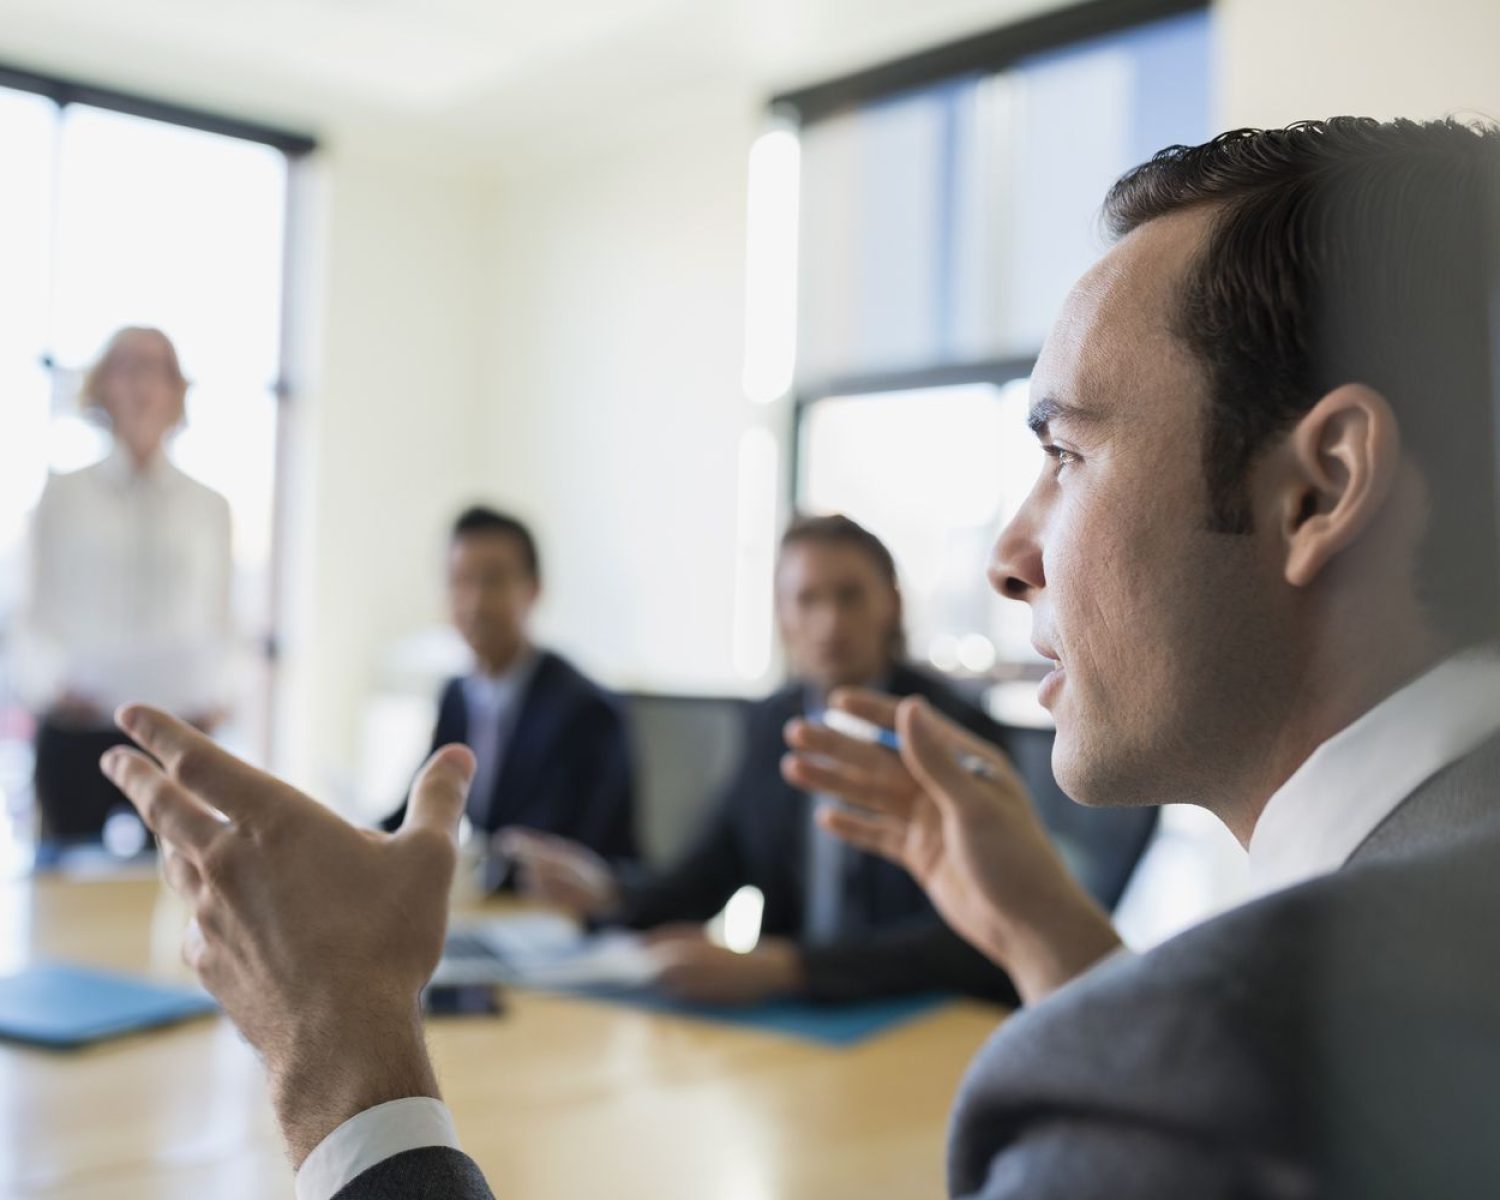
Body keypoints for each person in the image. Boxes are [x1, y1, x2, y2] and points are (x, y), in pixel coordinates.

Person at [99, 116, 1500, 1199]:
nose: (1011, 556)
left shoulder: (1193, 1082)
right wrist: (1053, 942)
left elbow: (1219, 1107)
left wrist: (344, 1064)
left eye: (1065, 454)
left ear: (1319, 492)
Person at [500, 514, 1017, 1005]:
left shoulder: (955, 732)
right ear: (781, 614)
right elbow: (715, 867)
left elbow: (973, 937)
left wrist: (786, 967)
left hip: (922, 1018)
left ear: (892, 604)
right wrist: (611, 891)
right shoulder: (773, 723)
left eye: (850, 596)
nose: (830, 622)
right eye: (807, 599)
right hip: (793, 1021)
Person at [16, 326, 232, 845]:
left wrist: (219, 692)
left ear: (177, 389)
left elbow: (224, 621)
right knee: (69, 897)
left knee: (183, 883)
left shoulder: (209, 507)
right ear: (102, 385)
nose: (141, 384)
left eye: (156, 368)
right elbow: (31, 614)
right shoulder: (61, 496)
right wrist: (52, 684)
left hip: (176, 731)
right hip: (78, 728)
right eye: (126, 367)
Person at [382, 506, 637, 873]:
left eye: (493, 580)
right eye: (460, 581)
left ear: (533, 590)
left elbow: (564, 842)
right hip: (491, 904)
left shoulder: (583, 708)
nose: (474, 602)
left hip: (562, 910)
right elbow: (419, 805)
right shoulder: (457, 693)